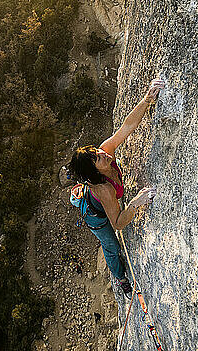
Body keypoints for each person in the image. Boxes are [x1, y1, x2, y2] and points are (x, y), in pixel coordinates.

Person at [68, 79, 165, 298]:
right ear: (95, 173)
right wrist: (135, 203)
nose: (103, 154)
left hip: (92, 196)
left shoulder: (105, 150)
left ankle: (76, 195)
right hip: (95, 216)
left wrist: (147, 99)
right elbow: (119, 223)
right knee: (111, 246)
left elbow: (127, 127)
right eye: (97, 159)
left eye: (97, 151)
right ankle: (120, 279)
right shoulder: (104, 191)